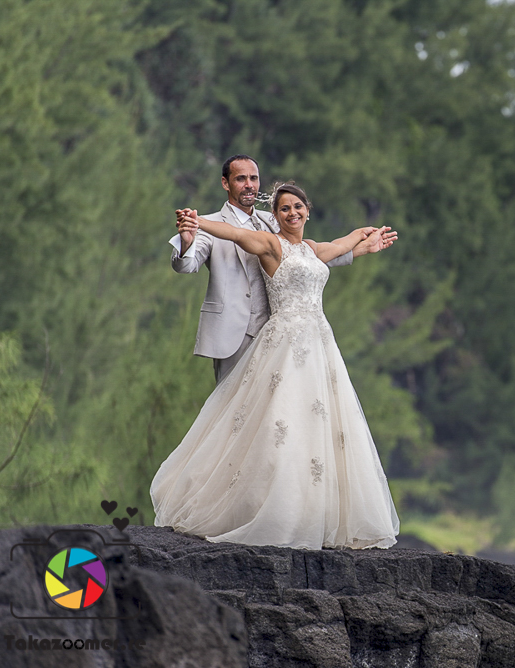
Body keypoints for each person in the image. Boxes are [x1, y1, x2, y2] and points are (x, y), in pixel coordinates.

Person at [151, 182, 399, 549]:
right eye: (284, 209)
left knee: (320, 423)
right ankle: (273, 512)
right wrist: (196, 222)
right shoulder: (270, 244)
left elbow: (339, 246)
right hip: (284, 341)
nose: (292, 213)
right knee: (279, 424)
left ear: (308, 210)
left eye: (298, 207)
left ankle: (317, 513)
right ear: (276, 216)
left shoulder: (313, 249)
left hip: (319, 343)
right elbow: (233, 232)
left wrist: (364, 237)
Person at [170, 154, 394, 383]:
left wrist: (361, 248)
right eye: (241, 179)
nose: (249, 184)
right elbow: (186, 265)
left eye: (254, 178)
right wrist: (188, 240)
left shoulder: (276, 218)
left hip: (283, 336)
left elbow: (306, 258)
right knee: (234, 410)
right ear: (225, 183)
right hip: (233, 335)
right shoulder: (206, 224)